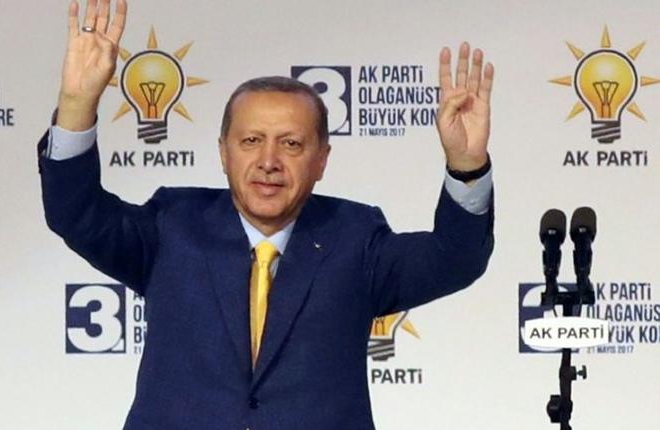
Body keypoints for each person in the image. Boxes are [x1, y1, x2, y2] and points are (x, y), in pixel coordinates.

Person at [38, 0, 495, 428]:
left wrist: (467, 164)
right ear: (223, 153)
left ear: (322, 160)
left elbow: (456, 258)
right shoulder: (172, 226)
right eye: (251, 141)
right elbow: (74, 212)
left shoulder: (355, 239)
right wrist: (77, 106)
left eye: (291, 144)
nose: (269, 161)